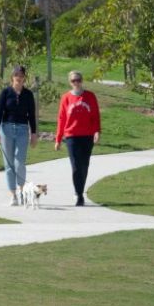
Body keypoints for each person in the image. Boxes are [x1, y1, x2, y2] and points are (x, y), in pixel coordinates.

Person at [0, 65, 38, 206]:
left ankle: (22, 190)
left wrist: (34, 133)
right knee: (9, 164)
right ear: (12, 77)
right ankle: (13, 195)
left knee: (19, 163)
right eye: (16, 74)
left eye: (21, 75)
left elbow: (31, 115)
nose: (19, 77)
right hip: (6, 129)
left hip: (23, 130)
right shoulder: (5, 93)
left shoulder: (28, 94)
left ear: (24, 78)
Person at [54, 71, 101, 206]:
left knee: (84, 165)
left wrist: (97, 131)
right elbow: (61, 119)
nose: (76, 83)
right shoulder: (66, 98)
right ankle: (79, 194)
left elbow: (95, 115)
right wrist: (58, 139)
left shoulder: (90, 96)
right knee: (75, 167)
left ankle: (79, 191)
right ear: (70, 82)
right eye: (74, 80)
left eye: (78, 80)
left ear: (82, 81)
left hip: (87, 135)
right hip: (71, 136)